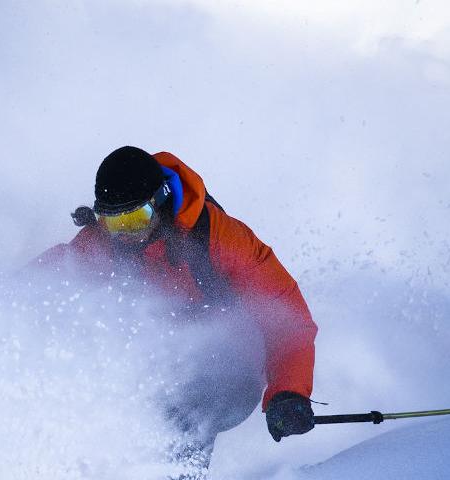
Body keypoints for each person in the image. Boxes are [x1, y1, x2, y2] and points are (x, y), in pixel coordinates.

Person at [33, 146, 319, 470]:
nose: (126, 234)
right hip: (157, 365)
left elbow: (287, 321)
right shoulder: (104, 243)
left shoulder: (221, 239)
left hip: (232, 368)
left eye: (135, 219)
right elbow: (48, 280)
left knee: (186, 411)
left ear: (162, 200)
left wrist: (288, 392)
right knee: (107, 393)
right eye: (113, 223)